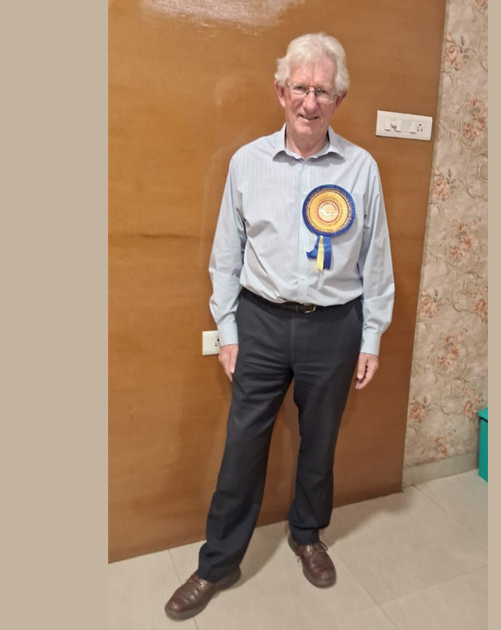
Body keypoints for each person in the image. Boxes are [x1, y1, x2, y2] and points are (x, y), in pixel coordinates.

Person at [164, 32, 395, 621]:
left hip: (334, 327)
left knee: (320, 440)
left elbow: (376, 259)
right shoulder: (247, 162)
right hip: (261, 323)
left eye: (323, 91)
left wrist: (371, 335)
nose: (310, 102)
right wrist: (229, 329)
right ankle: (218, 561)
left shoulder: (361, 168)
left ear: (339, 100)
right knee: (243, 445)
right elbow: (226, 254)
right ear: (280, 91)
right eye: (300, 88)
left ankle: (307, 535)